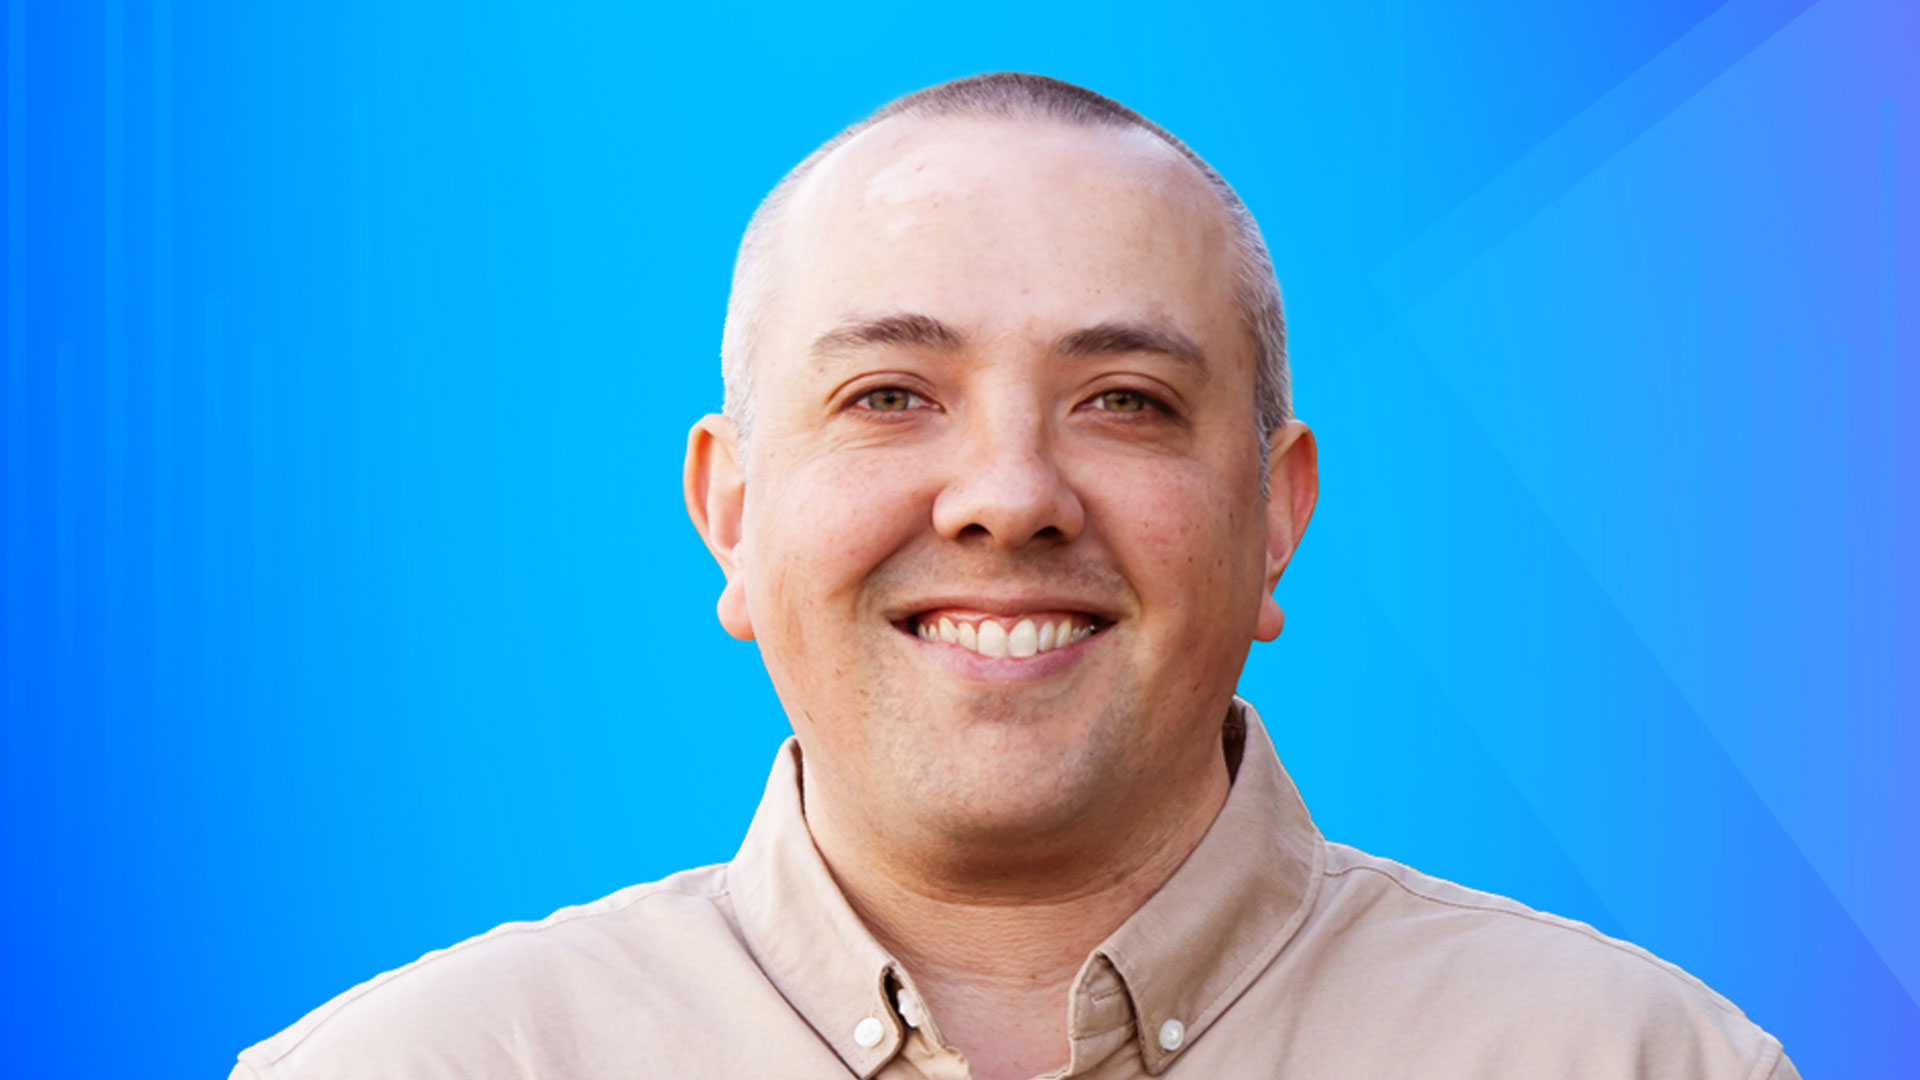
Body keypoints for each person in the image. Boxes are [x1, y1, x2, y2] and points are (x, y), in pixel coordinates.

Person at [231, 72, 1799, 1080]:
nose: (1005, 499)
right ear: (730, 512)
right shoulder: (417, 1068)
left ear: (1274, 516)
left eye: (1123, 400)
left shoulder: (1637, 1061)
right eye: (889, 397)